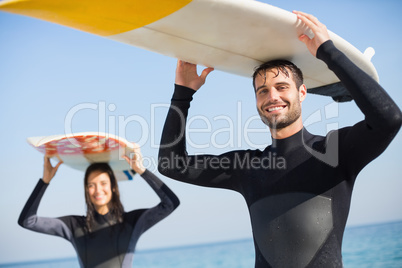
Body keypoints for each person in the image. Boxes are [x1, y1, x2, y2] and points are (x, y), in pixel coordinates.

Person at [158, 11, 402, 267]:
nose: (272, 96)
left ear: (302, 93)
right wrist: (182, 95)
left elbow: (389, 120)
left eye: (282, 87)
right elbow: (171, 165)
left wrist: (328, 52)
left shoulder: (334, 151)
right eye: (262, 91)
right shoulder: (247, 167)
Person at [19, 145, 180, 268]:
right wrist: (44, 181)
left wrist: (142, 171)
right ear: (86, 190)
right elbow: (28, 221)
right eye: (91, 185)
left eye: (103, 183)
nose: (97, 190)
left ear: (113, 187)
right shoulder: (73, 226)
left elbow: (170, 204)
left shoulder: (131, 222)